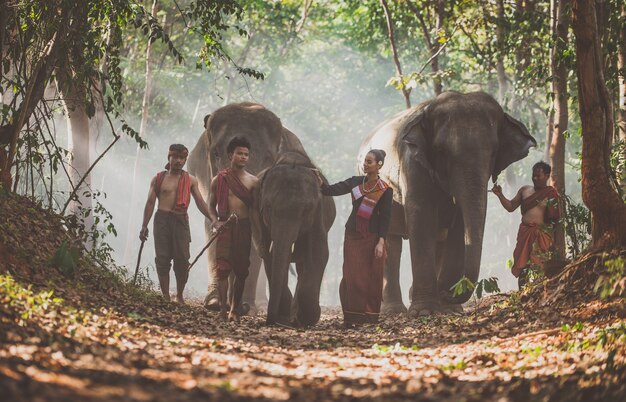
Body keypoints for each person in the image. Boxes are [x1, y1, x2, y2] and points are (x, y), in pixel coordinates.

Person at [318, 149, 392, 327]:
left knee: (371, 276)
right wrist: (319, 181)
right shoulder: (355, 182)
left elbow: (385, 217)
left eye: (369, 162)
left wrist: (381, 241)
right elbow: (330, 191)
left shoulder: (385, 189)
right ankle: (352, 316)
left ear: (379, 165)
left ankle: (369, 316)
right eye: (364, 161)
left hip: (372, 237)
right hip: (353, 235)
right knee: (351, 275)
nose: (365, 165)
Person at [140, 144, 212, 303]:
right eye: (175, 157)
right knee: (163, 258)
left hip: (180, 221)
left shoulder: (191, 180)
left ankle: (179, 295)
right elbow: (150, 203)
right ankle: (165, 295)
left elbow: (200, 202)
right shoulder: (158, 179)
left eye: (182, 158)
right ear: (169, 157)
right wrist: (144, 225)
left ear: (185, 160)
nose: (178, 161)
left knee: (182, 260)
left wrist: (213, 219)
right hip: (162, 220)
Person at [207, 137, 258, 321]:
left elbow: (258, 209)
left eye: (246, 154)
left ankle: (234, 309)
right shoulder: (219, 179)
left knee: (242, 270)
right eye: (240, 153)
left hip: (244, 228)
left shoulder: (254, 182)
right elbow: (210, 205)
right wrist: (215, 221)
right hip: (225, 227)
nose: (243, 157)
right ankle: (222, 309)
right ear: (231, 155)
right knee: (222, 269)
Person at [492, 161, 560, 288]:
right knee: (522, 263)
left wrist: (554, 242)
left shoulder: (551, 193)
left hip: (541, 234)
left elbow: (555, 219)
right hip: (525, 232)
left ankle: (539, 290)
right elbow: (511, 207)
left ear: (546, 176)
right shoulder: (524, 190)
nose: (535, 178)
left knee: (539, 264)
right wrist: (500, 195)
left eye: (538, 176)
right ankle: (521, 292)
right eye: (533, 175)